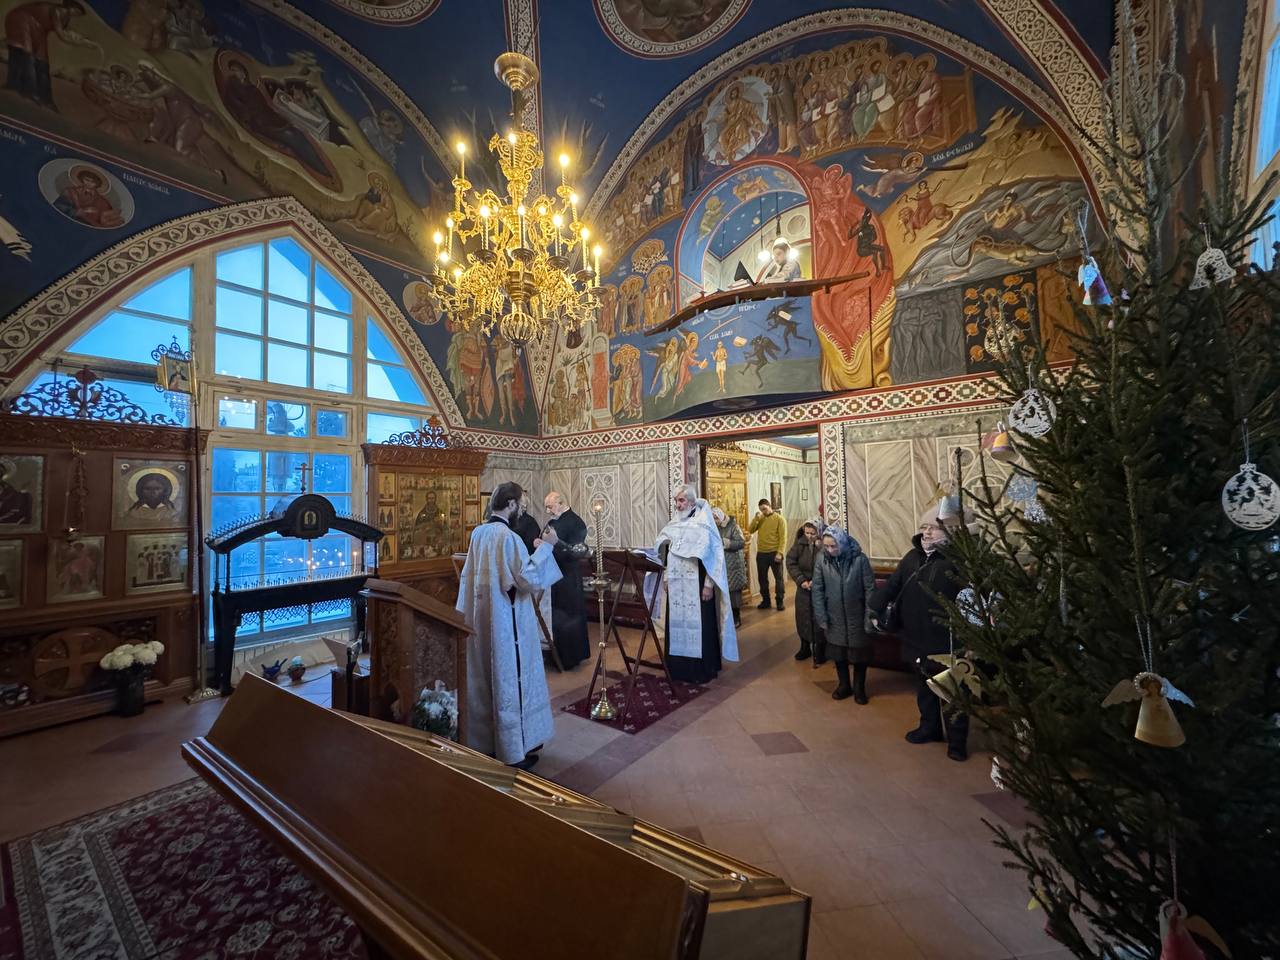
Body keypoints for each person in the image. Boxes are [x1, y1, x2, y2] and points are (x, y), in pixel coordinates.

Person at [455, 482, 561, 769]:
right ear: (511, 504)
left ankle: (488, 744)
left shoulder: (478, 533)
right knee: (509, 678)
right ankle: (512, 750)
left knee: (485, 679)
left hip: (481, 619)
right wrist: (547, 548)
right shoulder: (508, 537)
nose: (521, 511)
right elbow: (527, 579)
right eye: (520, 506)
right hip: (507, 623)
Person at [870, 506, 968, 759]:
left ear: (949, 531)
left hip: (946, 639)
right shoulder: (913, 557)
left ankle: (957, 742)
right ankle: (929, 728)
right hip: (915, 635)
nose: (926, 533)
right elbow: (893, 585)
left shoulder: (958, 561)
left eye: (933, 528)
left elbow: (971, 600)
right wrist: (874, 606)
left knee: (952, 692)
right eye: (924, 527)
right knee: (924, 686)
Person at [655, 485, 738, 684]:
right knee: (676, 625)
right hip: (677, 585)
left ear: (692, 502)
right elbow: (668, 552)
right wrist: (666, 577)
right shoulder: (674, 523)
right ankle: (677, 669)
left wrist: (709, 584)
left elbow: (713, 556)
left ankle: (702, 670)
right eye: (676, 501)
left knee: (701, 626)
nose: (678, 505)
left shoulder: (704, 524)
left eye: (681, 500)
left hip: (698, 584)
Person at [811, 526, 875, 702]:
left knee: (859, 656)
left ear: (842, 543)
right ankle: (844, 685)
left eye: (834, 546)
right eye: (826, 546)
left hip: (857, 614)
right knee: (838, 654)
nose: (830, 550)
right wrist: (821, 616)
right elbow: (817, 589)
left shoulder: (859, 559)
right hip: (834, 615)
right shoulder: (821, 559)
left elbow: (870, 589)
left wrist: (869, 616)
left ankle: (859, 688)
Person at [543, 491, 590, 670]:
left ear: (561, 503)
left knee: (570, 617)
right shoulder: (552, 522)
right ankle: (555, 655)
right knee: (555, 618)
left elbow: (577, 552)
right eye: (546, 507)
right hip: (552, 576)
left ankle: (571, 657)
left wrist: (557, 543)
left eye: (550, 507)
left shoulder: (576, 523)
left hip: (569, 578)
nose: (548, 511)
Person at [785, 521, 823, 662]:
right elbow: (791, 562)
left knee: (819, 617)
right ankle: (805, 646)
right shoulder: (799, 544)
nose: (809, 536)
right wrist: (801, 580)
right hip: (804, 587)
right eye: (807, 533)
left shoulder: (824, 545)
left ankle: (820, 648)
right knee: (803, 616)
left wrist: (816, 580)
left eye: (813, 533)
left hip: (820, 587)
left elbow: (826, 564)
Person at [748, 499, 786, 610]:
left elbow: (783, 538)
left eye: (764, 509)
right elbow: (750, 530)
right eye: (761, 510)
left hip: (775, 553)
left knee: (779, 578)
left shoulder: (779, 519)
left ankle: (779, 601)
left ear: (770, 506)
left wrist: (780, 553)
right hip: (761, 553)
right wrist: (756, 518)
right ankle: (766, 601)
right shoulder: (760, 519)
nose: (763, 512)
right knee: (762, 579)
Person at [712, 506, 746, 628]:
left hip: (733, 565)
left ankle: (736, 617)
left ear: (721, 516)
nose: (715, 520)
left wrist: (726, 543)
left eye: (716, 518)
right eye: (713, 518)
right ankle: (724, 618)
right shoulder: (713, 527)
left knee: (734, 593)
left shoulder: (733, 526)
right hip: (720, 564)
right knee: (722, 593)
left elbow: (741, 542)